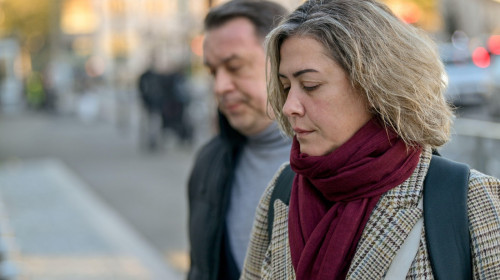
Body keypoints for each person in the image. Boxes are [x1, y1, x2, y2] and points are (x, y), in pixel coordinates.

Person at [241, 0, 500, 279]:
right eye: (286, 87)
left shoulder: (466, 199)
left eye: (310, 86)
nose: (289, 106)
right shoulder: (282, 191)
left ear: (375, 85)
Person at [187, 1, 290, 279]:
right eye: (213, 72)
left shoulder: (337, 157)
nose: (220, 86)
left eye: (235, 66)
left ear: (281, 59)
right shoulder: (210, 161)